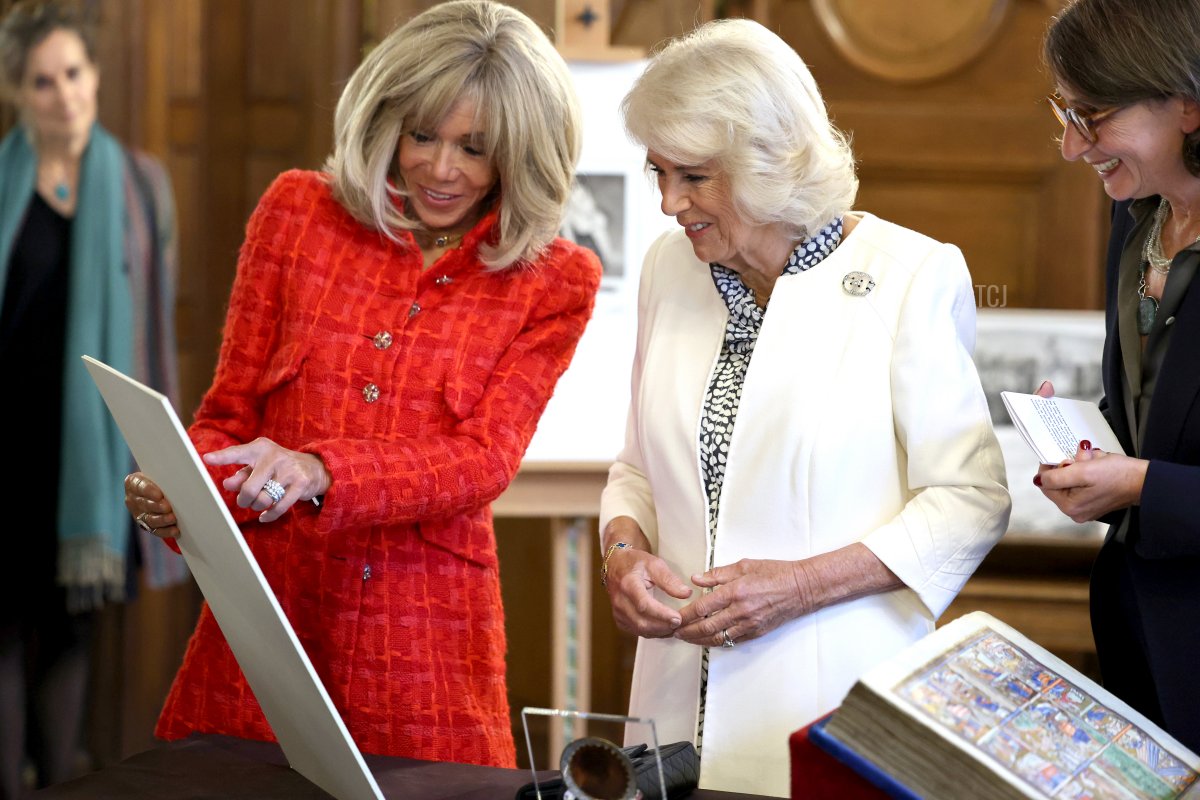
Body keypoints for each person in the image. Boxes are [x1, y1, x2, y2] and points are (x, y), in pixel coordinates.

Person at [123, 0, 600, 769]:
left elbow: (483, 460)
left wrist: (322, 470)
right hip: (268, 626)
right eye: (422, 135)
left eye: (476, 148)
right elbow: (226, 418)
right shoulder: (296, 214)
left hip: (425, 654)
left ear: (522, 153)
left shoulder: (554, 282)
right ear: (386, 120)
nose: (441, 169)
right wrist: (183, 492)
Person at [598, 19, 1011, 796]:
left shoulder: (910, 276)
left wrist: (802, 584)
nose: (666, 204)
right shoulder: (669, 269)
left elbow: (971, 500)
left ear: (764, 163)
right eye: (657, 172)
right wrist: (622, 552)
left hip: (832, 707)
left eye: (692, 177)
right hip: (672, 711)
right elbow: (635, 467)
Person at [0, 2, 179, 795]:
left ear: (95, 76)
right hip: (7, 444)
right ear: (17, 93)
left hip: (89, 452)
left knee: (70, 629)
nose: (63, 95)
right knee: (1, 629)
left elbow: (155, 334)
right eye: (43, 82)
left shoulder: (143, 186)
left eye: (73, 74)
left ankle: (56, 787)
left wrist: (165, 457)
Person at [1036, 0, 1200, 753]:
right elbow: (1150, 415)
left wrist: (1140, 486)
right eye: (1063, 112)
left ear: (1188, 104)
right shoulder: (1135, 217)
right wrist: (1088, 449)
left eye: (1092, 115)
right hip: (1142, 632)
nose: (1071, 147)